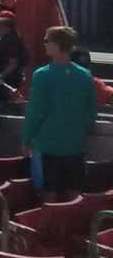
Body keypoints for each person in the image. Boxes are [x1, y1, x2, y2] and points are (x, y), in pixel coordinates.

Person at [23, 25, 98, 196]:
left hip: (48, 145)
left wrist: (26, 139)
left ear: (57, 45)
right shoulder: (85, 75)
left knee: (49, 193)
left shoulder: (42, 75)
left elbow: (35, 111)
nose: (44, 44)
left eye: (46, 41)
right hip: (76, 145)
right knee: (75, 195)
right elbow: (91, 111)